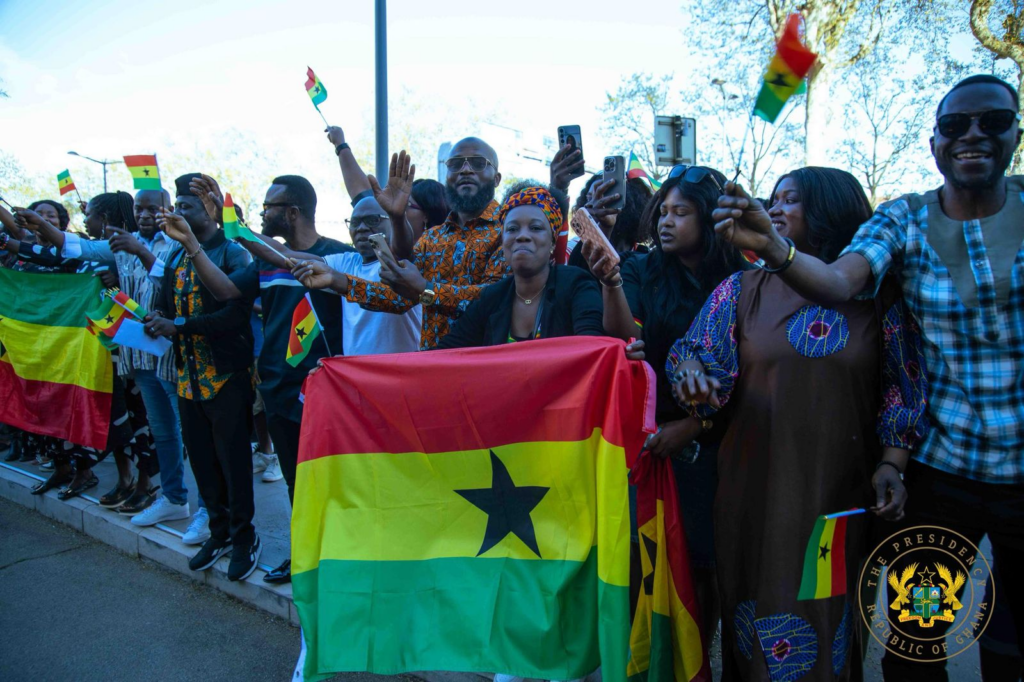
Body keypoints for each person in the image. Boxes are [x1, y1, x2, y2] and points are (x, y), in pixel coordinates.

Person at [710, 75, 1024, 681]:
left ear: (1015, 132)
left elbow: (894, 371)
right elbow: (838, 283)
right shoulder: (902, 221)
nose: (973, 136)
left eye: (992, 121)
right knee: (916, 646)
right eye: (956, 126)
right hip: (942, 479)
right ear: (935, 143)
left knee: (1012, 649)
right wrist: (774, 249)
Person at [672, 167, 929, 681]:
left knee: (826, 619)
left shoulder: (876, 299)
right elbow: (696, 358)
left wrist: (892, 464)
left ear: (830, 210)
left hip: (834, 496)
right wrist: (692, 375)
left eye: (791, 200)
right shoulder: (741, 290)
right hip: (752, 493)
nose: (776, 209)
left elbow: (904, 386)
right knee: (751, 619)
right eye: (773, 199)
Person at [584, 165, 746, 658]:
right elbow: (626, 336)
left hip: (723, 444)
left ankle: (699, 657)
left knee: (705, 566)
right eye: (663, 212)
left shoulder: (745, 278)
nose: (666, 223)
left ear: (711, 218)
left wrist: (696, 424)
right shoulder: (641, 268)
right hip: (650, 438)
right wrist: (612, 283)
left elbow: (754, 370)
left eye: (682, 212)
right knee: (644, 560)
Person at [160, 174, 351, 585]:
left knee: (331, 484)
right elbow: (227, 290)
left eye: (270, 207)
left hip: (325, 395)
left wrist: (234, 226)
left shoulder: (340, 257)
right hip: (278, 391)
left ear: (293, 212)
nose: (264, 213)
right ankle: (304, 558)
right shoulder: (265, 261)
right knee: (296, 485)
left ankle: (336, 559)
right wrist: (193, 246)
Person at [146, 173, 259, 583]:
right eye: (176, 206)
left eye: (187, 206)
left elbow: (235, 312)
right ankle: (219, 531)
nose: (179, 212)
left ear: (210, 211)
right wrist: (157, 318)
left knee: (234, 462)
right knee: (203, 463)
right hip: (186, 378)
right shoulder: (174, 256)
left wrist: (181, 325)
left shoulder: (231, 253)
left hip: (225, 376)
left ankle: (244, 537)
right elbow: (165, 304)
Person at [313, 138, 508, 350]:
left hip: (485, 367)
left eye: (478, 163)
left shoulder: (510, 230)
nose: (466, 170)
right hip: (434, 370)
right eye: (456, 164)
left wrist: (425, 291)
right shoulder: (432, 238)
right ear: (447, 176)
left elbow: (493, 301)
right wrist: (337, 280)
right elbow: (399, 299)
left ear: (496, 178)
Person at [431, 183, 604, 347]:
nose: (522, 236)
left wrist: (423, 290)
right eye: (512, 229)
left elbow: (591, 348)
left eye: (535, 228)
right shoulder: (491, 298)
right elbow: (446, 353)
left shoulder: (576, 284)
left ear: (552, 242)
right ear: (503, 241)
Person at [291, 196, 422, 355]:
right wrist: (251, 237)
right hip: (358, 373)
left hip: (402, 372)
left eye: (372, 220)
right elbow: (285, 255)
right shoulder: (346, 261)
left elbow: (403, 249)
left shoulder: (408, 264)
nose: (361, 228)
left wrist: (398, 216)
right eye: (354, 223)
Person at [324, 125, 448, 243]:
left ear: (426, 216)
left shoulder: (447, 257)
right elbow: (361, 192)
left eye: (405, 204)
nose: (392, 208)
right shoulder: (383, 250)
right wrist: (340, 145)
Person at [567, 177, 653, 274]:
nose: (590, 205)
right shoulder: (571, 249)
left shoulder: (645, 261)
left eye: (603, 198)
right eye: (589, 198)